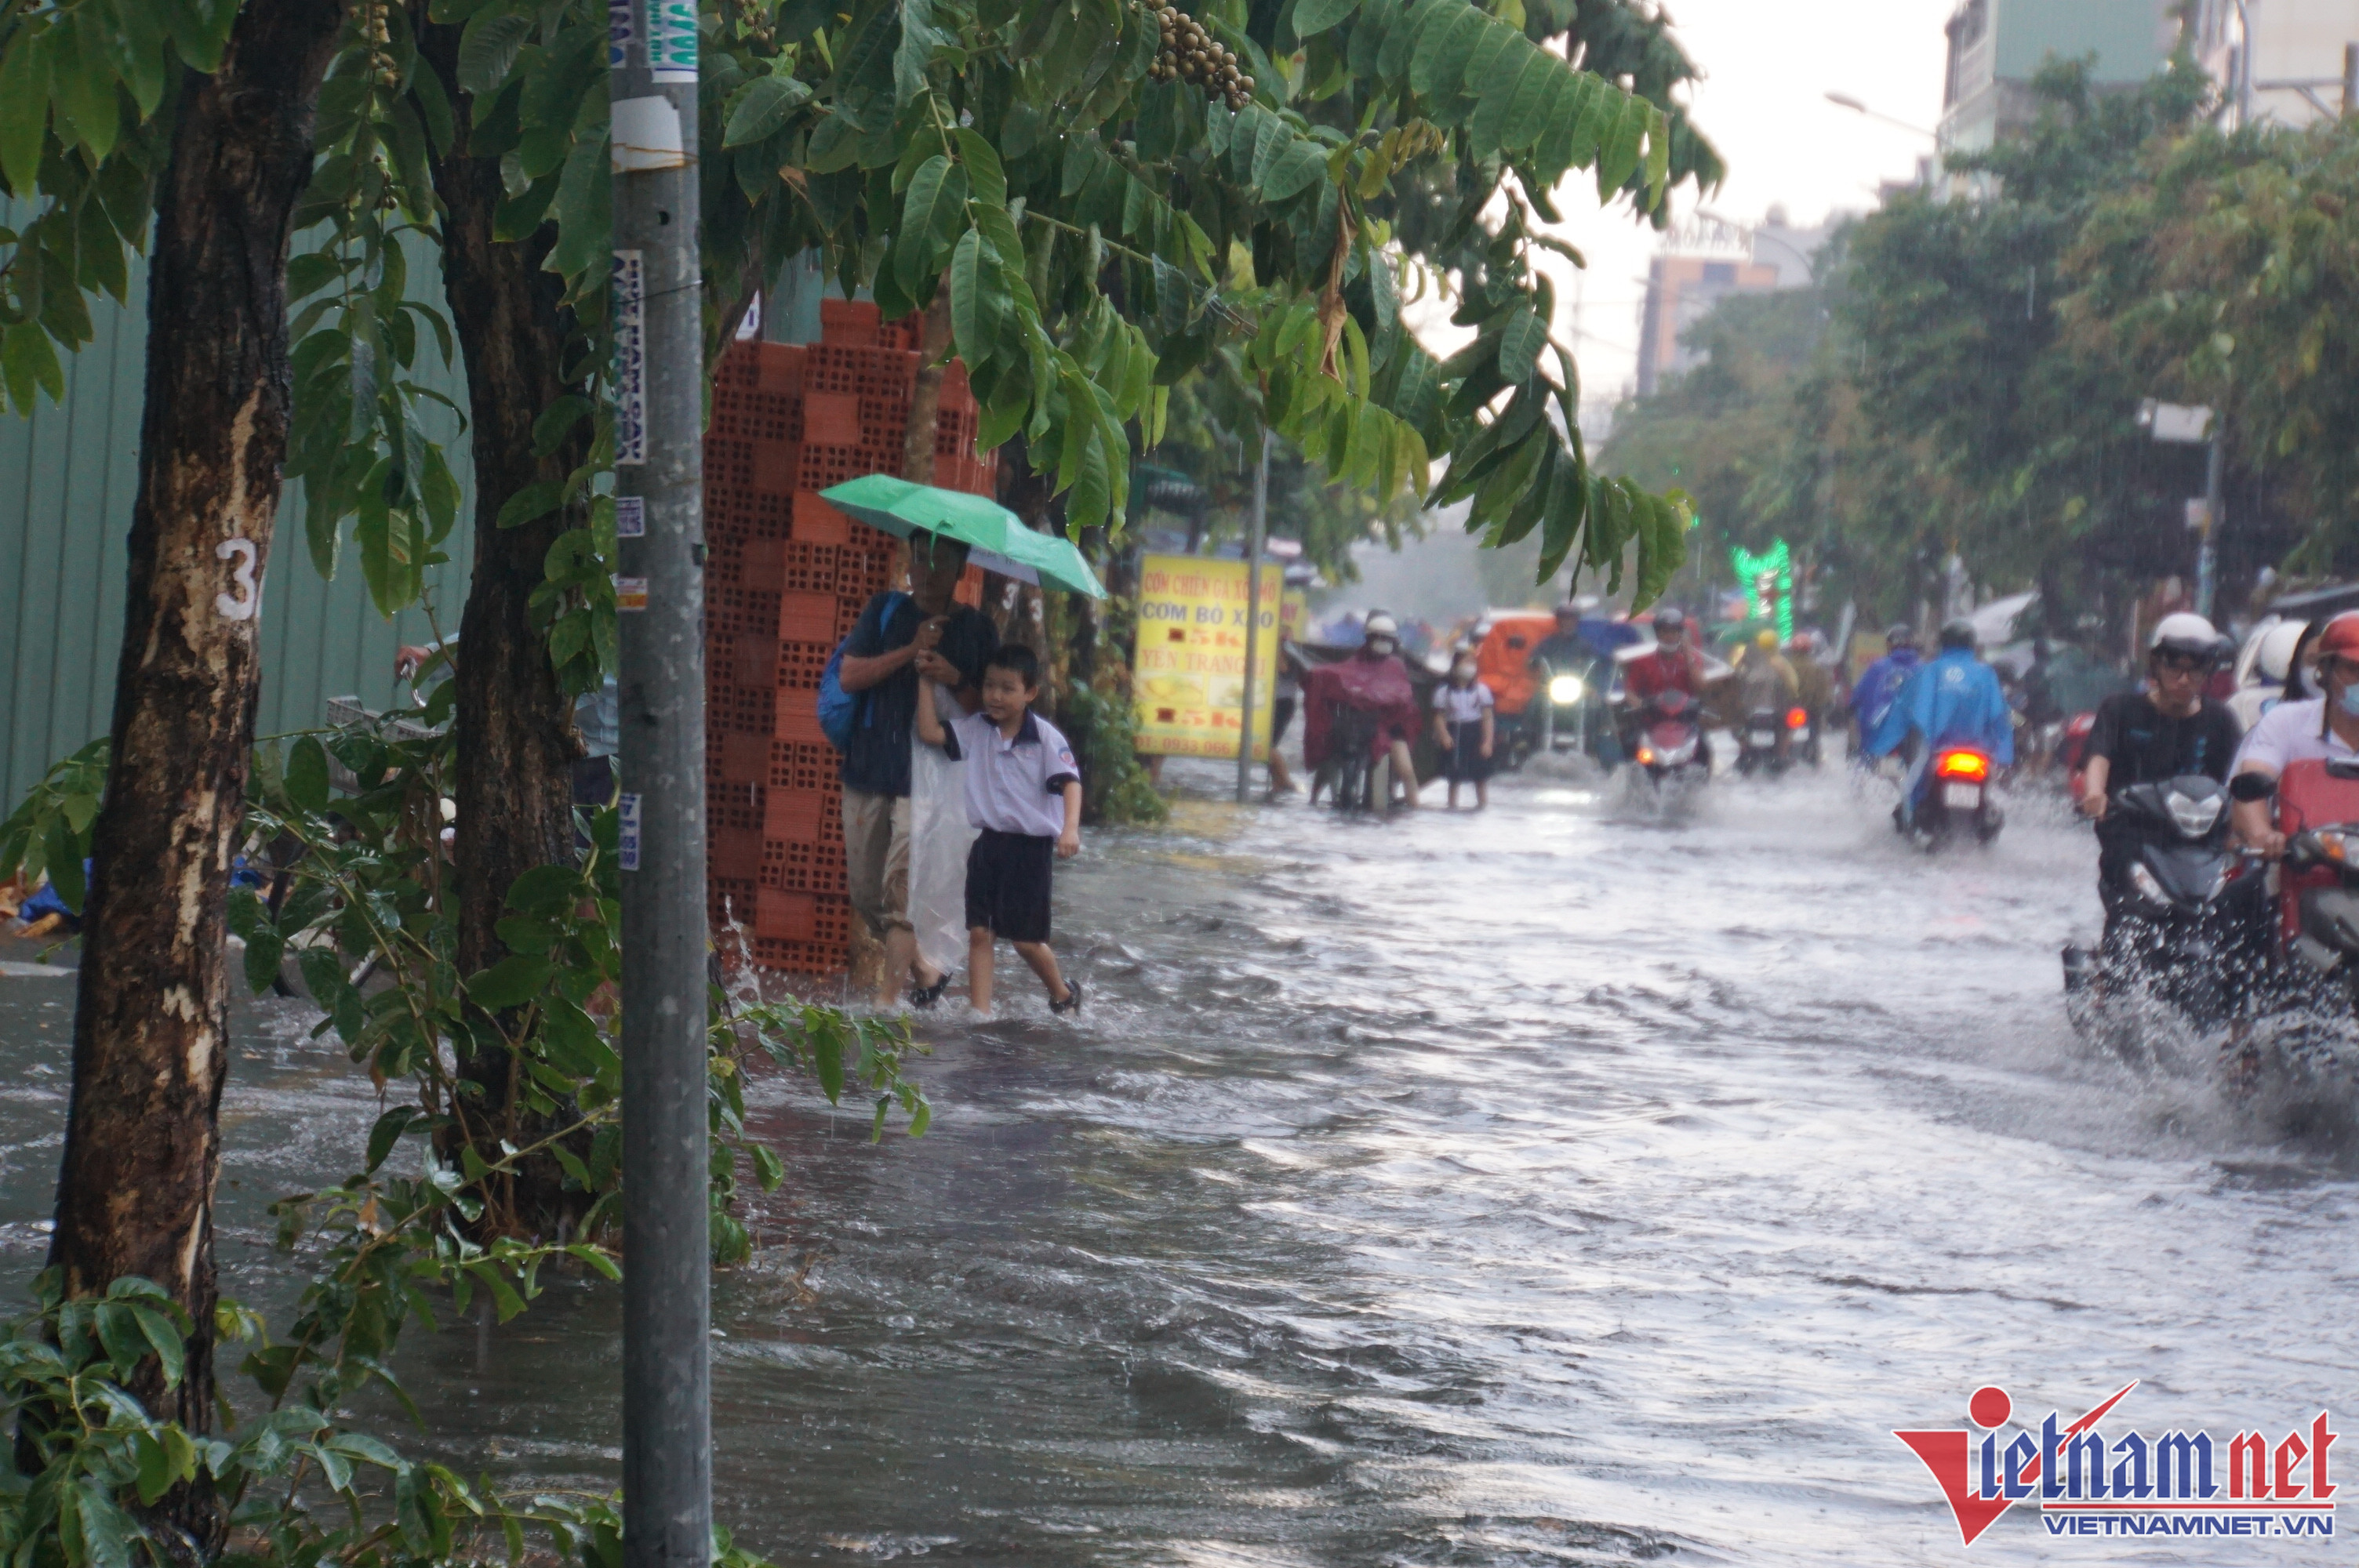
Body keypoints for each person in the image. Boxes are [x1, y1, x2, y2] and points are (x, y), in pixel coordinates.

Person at [835, 532, 999, 1007]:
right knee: (867, 895)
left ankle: (886, 1004)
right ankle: (926, 970)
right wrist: (910, 650)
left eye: (941, 561)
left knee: (900, 895)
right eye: (920, 559)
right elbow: (849, 676)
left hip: (932, 783)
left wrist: (955, 677)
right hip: (868, 770)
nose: (927, 571)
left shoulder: (977, 629)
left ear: (961, 569)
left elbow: (991, 712)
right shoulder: (884, 611)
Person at [914, 644, 1083, 1016]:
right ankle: (981, 1014)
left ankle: (1063, 993)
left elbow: (1071, 782)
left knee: (1026, 942)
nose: (995, 696)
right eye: (990, 686)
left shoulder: (1045, 737)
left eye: (1008, 688)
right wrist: (926, 684)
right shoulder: (977, 730)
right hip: (988, 845)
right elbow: (929, 732)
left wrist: (1069, 830)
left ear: (1030, 693)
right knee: (980, 932)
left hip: (1030, 850)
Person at [2230, 610, 2359, 858]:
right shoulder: (2284, 721)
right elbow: (2252, 785)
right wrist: (2264, 836)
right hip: (2295, 863)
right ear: (2326, 670)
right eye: (2353, 669)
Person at [1866, 619, 2016, 829]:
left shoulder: (1930, 671)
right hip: (1977, 749)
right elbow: (2000, 715)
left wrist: (1882, 744)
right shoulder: (1986, 674)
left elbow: (1903, 708)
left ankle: (1911, 821)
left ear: (1943, 642)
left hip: (1935, 747)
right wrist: (2005, 754)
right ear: (1971, 644)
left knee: (1909, 788)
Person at [1356, 612, 1421, 808]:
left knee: (1407, 771)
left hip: (1392, 729)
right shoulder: (1357, 662)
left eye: (1386, 638)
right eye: (1379, 638)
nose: (1382, 642)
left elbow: (1405, 695)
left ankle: (1415, 807)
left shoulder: (1397, 665)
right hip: (1362, 727)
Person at [1430, 650, 1496, 809]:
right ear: (1455, 666)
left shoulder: (1481, 690)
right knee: (1454, 775)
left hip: (1475, 731)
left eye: (1473, 662)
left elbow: (1488, 718)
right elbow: (1439, 717)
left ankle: (1482, 805)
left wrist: (1487, 742)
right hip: (1455, 731)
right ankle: (1452, 805)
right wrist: (1444, 735)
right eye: (1466, 662)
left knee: (1480, 775)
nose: (1470, 666)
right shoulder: (1444, 691)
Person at [1849, 623, 1920, 757]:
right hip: (1912, 735)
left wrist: (1851, 706)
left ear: (1889, 645)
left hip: (1879, 734)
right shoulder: (1923, 669)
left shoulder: (1877, 668)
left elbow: (1859, 694)